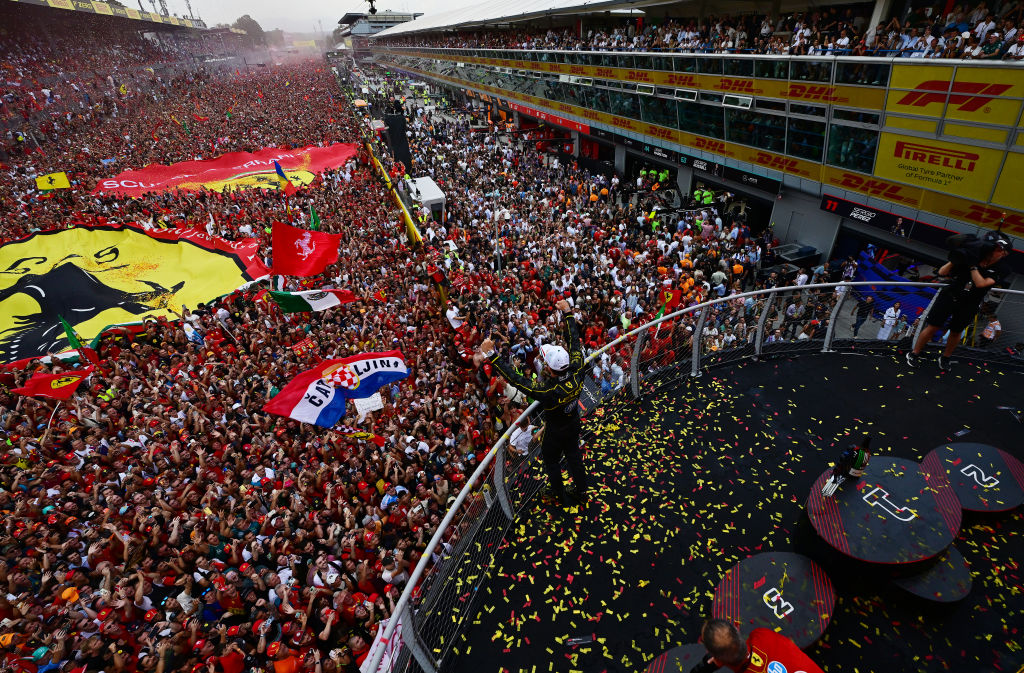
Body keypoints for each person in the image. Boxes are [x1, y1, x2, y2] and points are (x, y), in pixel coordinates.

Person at [476, 299, 589, 506]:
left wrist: (492, 355)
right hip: (573, 423)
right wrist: (568, 313)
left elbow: (516, 379)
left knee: (553, 462)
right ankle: (582, 491)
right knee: (574, 457)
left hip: (554, 433)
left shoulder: (547, 390)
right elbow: (575, 342)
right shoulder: (578, 369)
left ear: (549, 367)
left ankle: (559, 494)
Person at [907, 233, 1011, 370]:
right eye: (994, 248)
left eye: (998, 250)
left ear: (1004, 253)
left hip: (970, 302)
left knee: (956, 331)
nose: (994, 252)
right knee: (933, 326)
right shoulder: (973, 255)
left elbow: (981, 283)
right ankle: (915, 353)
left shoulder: (1002, 269)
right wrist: (958, 257)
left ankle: (945, 358)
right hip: (951, 295)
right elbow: (943, 272)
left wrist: (972, 266)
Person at [690, 619, 824, 673]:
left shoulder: (717, 662)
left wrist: (706, 667)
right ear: (737, 629)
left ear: (717, 660)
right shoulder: (762, 635)